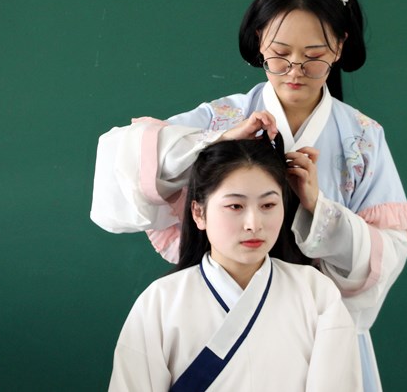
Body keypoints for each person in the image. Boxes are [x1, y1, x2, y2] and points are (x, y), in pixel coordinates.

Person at [92, 0, 407, 391]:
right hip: (213, 316)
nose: (295, 71)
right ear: (259, 39)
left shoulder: (363, 138)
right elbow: (122, 162)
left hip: (316, 329)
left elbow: (386, 255)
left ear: (340, 47)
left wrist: (319, 211)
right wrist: (217, 141)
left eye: (314, 57)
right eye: (279, 55)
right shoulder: (224, 117)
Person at [108, 135, 361, 391]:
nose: (254, 224)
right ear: (199, 213)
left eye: (268, 205)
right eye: (235, 206)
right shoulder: (160, 302)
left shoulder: (316, 293)